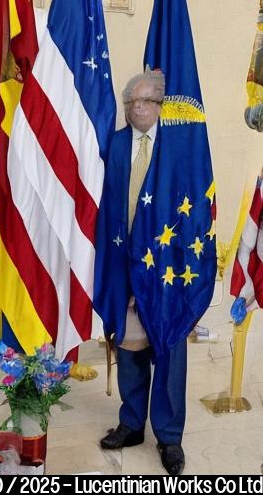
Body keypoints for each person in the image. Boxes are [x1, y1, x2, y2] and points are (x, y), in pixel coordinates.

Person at [95, 71, 185, 475]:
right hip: (123, 261)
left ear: (160, 107)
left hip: (166, 272)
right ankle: (132, 423)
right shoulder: (114, 145)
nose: (141, 108)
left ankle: (169, 437)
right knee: (130, 347)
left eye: (149, 101)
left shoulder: (177, 148)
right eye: (134, 102)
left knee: (167, 352)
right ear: (127, 106)